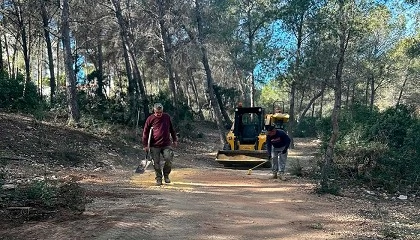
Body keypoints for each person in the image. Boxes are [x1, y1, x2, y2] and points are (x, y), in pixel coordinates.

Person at [142, 103, 178, 186]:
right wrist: (145, 145)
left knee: (169, 158)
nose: (159, 114)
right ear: (154, 111)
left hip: (166, 144)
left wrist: (175, 139)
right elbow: (145, 132)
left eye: (160, 112)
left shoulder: (166, 117)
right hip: (154, 145)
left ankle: (166, 175)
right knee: (156, 163)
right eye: (157, 113)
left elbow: (172, 129)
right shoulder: (150, 119)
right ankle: (159, 178)